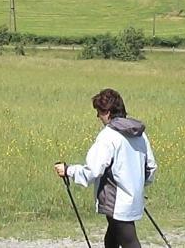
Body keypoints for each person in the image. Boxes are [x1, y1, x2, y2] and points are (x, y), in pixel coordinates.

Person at [54, 88, 157, 248]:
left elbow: (93, 171)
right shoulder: (139, 134)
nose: (98, 116)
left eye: (99, 112)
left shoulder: (108, 136)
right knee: (112, 238)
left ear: (108, 112)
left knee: (130, 242)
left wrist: (68, 170)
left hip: (116, 202)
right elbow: (150, 168)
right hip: (133, 199)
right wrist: (135, 185)